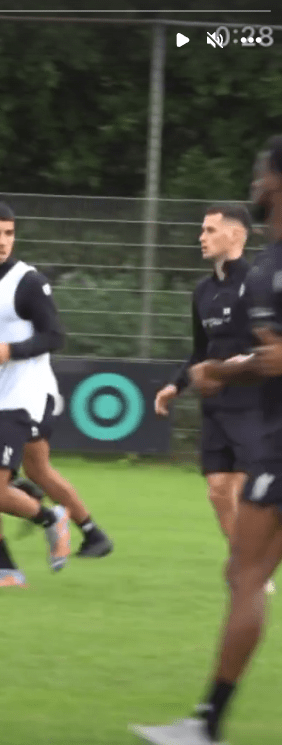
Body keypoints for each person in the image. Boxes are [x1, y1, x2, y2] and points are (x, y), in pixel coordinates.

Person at [130, 135, 282, 745]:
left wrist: (219, 372)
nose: (253, 184)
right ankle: (206, 722)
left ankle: (207, 725)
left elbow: (275, 361)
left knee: (244, 576)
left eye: (259, 174)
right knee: (240, 570)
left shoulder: (270, 271)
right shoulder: (228, 282)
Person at [0, 222, 112, 580]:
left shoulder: (23, 283)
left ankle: (65, 521)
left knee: (17, 476)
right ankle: (17, 561)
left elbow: (51, 335)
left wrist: (12, 351)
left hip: (25, 396)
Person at [154, 204, 273, 592]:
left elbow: (270, 349)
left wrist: (228, 368)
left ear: (235, 236)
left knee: (246, 489)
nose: (201, 237)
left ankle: (253, 569)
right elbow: (199, 352)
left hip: (254, 404)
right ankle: (247, 561)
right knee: (218, 490)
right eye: (201, 230)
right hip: (216, 408)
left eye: (209, 230)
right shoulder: (203, 291)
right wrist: (175, 385)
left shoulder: (257, 284)